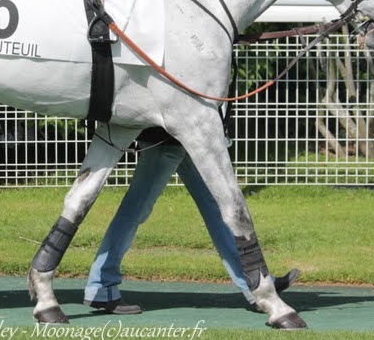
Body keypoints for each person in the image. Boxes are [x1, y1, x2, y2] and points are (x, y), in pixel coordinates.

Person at [84, 132, 298, 314]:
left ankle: (255, 282)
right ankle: (101, 284)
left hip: (181, 137)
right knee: (136, 207)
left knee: (218, 209)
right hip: (169, 138)